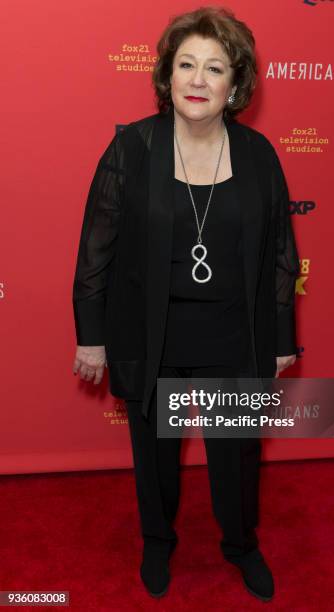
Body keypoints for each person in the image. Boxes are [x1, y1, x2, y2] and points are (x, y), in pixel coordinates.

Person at [72, 5, 300, 603]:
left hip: (232, 334)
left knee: (237, 459)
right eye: (186, 65)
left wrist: (280, 340)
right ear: (167, 76)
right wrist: (90, 336)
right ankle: (156, 541)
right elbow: (95, 247)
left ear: (236, 84)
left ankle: (242, 545)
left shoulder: (258, 155)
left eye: (215, 68)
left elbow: (281, 252)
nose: (198, 80)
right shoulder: (132, 150)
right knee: (154, 458)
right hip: (155, 335)